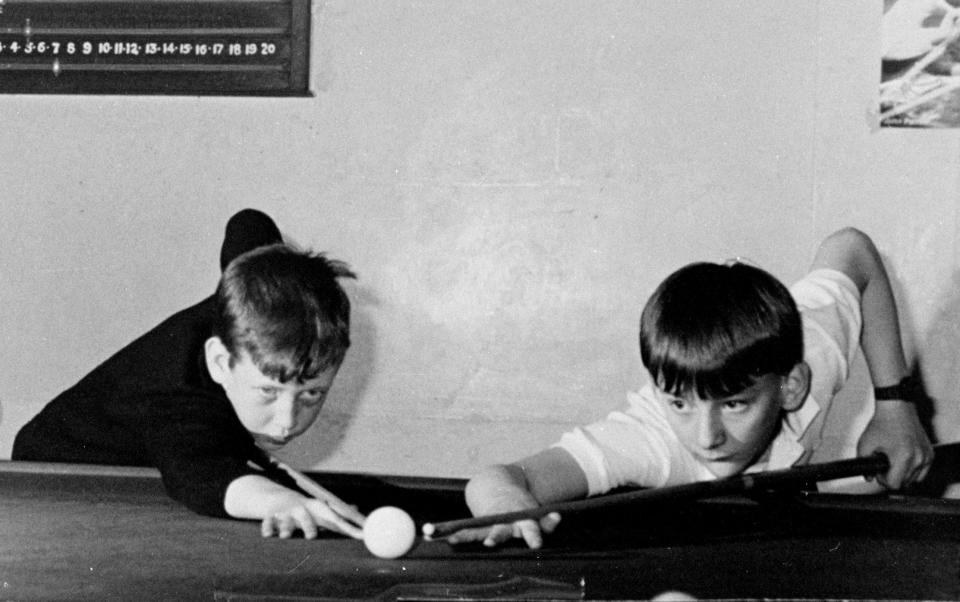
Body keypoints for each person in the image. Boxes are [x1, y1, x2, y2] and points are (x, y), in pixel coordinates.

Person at [455, 227, 934, 550]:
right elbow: (500, 479)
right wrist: (505, 505)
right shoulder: (652, 439)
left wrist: (896, 409)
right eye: (680, 402)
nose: (707, 437)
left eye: (735, 404)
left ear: (790, 387)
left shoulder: (812, 350)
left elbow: (851, 249)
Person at [12, 209, 365, 540]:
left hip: (156, 461)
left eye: (311, 394)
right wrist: (280, 502)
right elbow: (201, 473)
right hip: (59, 478)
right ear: (220, 363)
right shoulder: (182, 400)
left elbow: (248, 224)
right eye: (269, 392)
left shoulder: (252, 296)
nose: (287, 421)